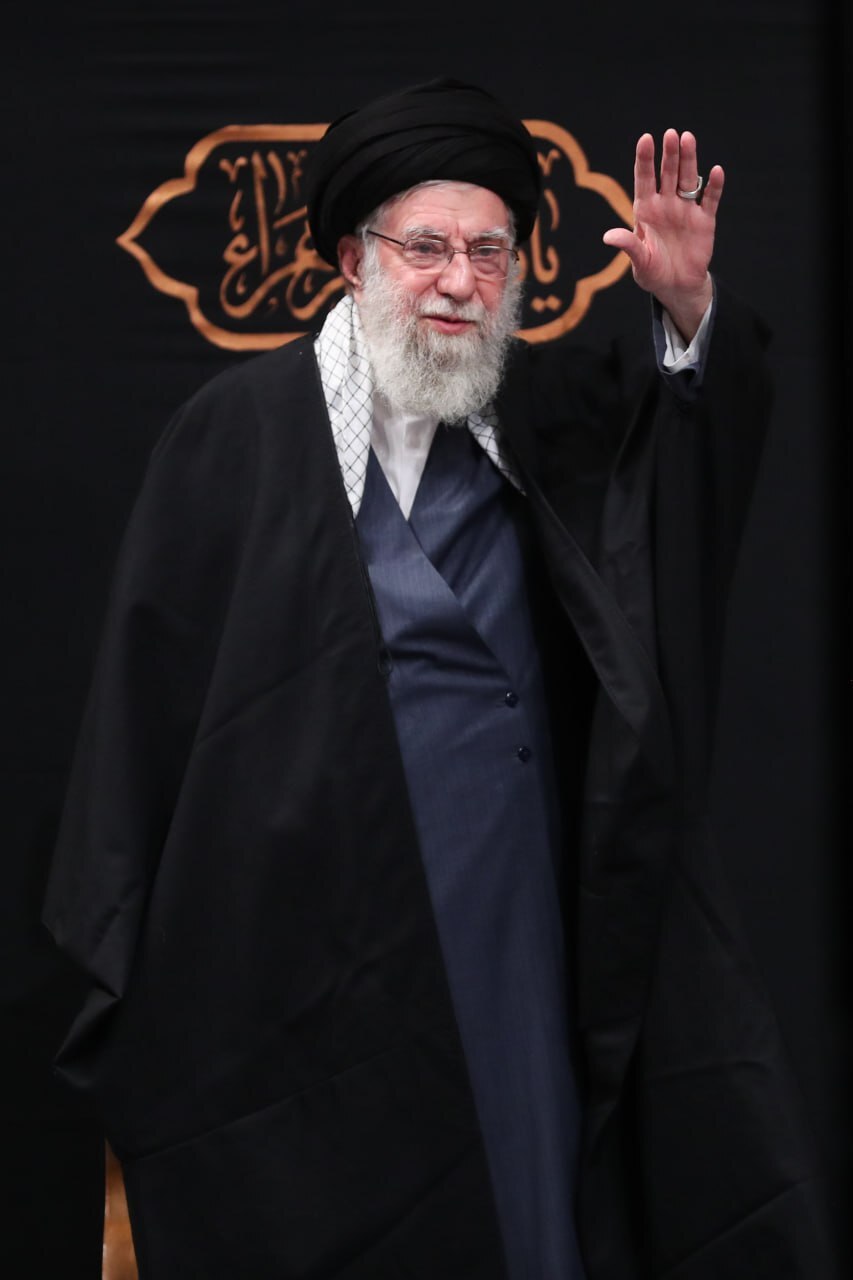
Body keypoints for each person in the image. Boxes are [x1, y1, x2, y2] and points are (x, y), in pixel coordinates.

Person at [43, 78, 833, 1279]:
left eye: (488, 251)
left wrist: (686, 313)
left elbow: (675, 491)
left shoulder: (549, 418)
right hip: (311, 942)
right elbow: (143, 720)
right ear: (353, 258)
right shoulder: (236, 434)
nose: (460, 282)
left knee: (524, 1185)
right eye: (426, 248)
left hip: (514, 910)